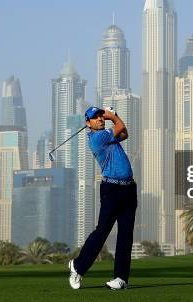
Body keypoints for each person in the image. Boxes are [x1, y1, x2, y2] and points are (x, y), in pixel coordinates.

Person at [68, 106, 137, 290]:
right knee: (102, 231)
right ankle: (78, 266)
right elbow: (119, 125)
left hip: (128, 189)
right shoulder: (98, 138)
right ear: (87, 123)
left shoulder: (108, 135)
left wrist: (114, 117)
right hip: (111, 189)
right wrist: (112, 115)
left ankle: (121, 278)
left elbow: (125, 133)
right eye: (95, 117)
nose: (100, 118)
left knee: (125, 235)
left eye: (100, 116)